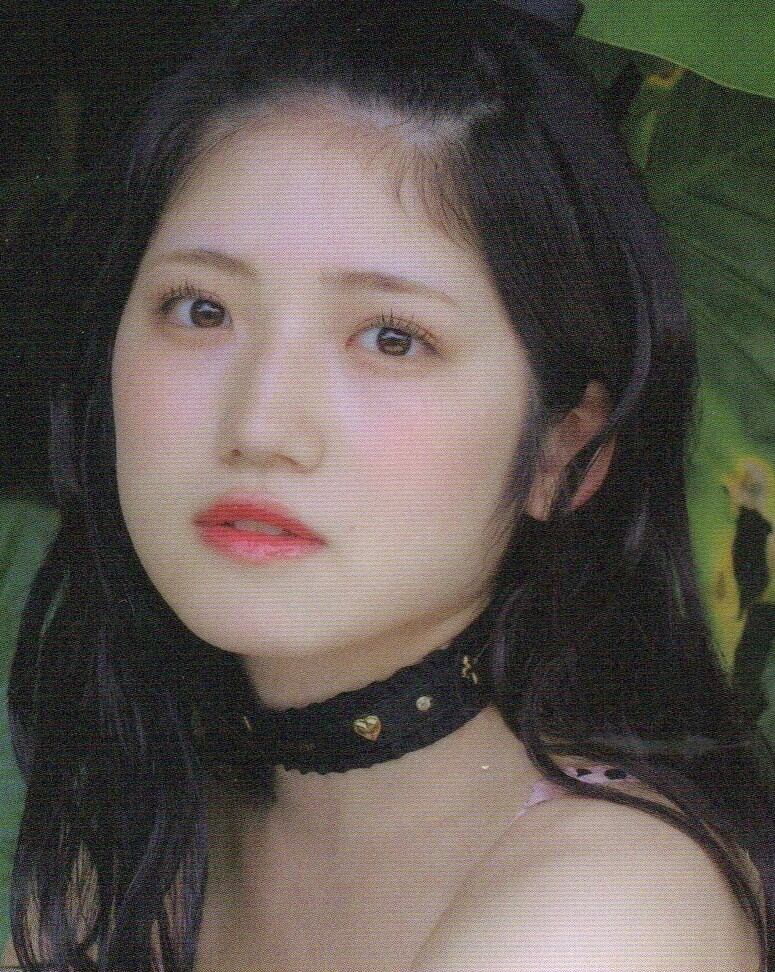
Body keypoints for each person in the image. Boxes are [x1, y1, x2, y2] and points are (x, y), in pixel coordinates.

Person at [3, 0, 775, 969]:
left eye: (392, 339)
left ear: (561, 451)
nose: (261, 427)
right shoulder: (140, 840)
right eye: (200, 309)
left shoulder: (601, 918)